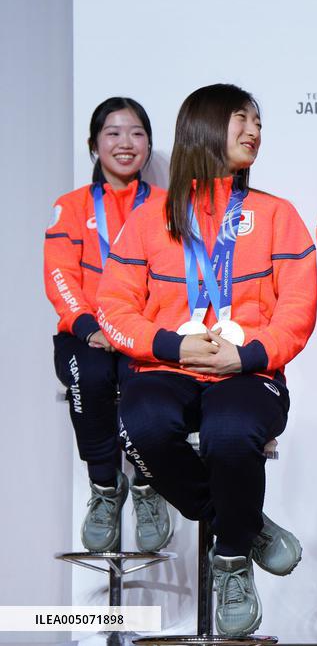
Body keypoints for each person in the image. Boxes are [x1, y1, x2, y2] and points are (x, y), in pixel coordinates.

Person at [96, 84, 316, 636]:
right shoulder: (151, 218)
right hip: (166, 367)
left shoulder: (276, 214)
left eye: (259, 122)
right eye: (241, 119)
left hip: (247, 370)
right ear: (203, 127)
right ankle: (240, 525)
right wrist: (172, 345)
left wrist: (248, 356)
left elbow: (298, 306)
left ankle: (232, 558)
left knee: (233, 431)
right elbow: (113, 306)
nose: (254, 132)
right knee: (141, 424)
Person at [45, 97, 172, 553]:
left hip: (142, 330)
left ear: (149, 144)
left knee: (146, 388)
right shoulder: (72, 206)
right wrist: (87, 327)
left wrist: (140, 329)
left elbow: (178, 274)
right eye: (113, 133)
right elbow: (59, 275)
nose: (125, 143)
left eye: (137, 133)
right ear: (94, 145)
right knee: (92, 375)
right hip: (86, 333)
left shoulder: (167, 205)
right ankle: (104, 486)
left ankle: (147, 484)